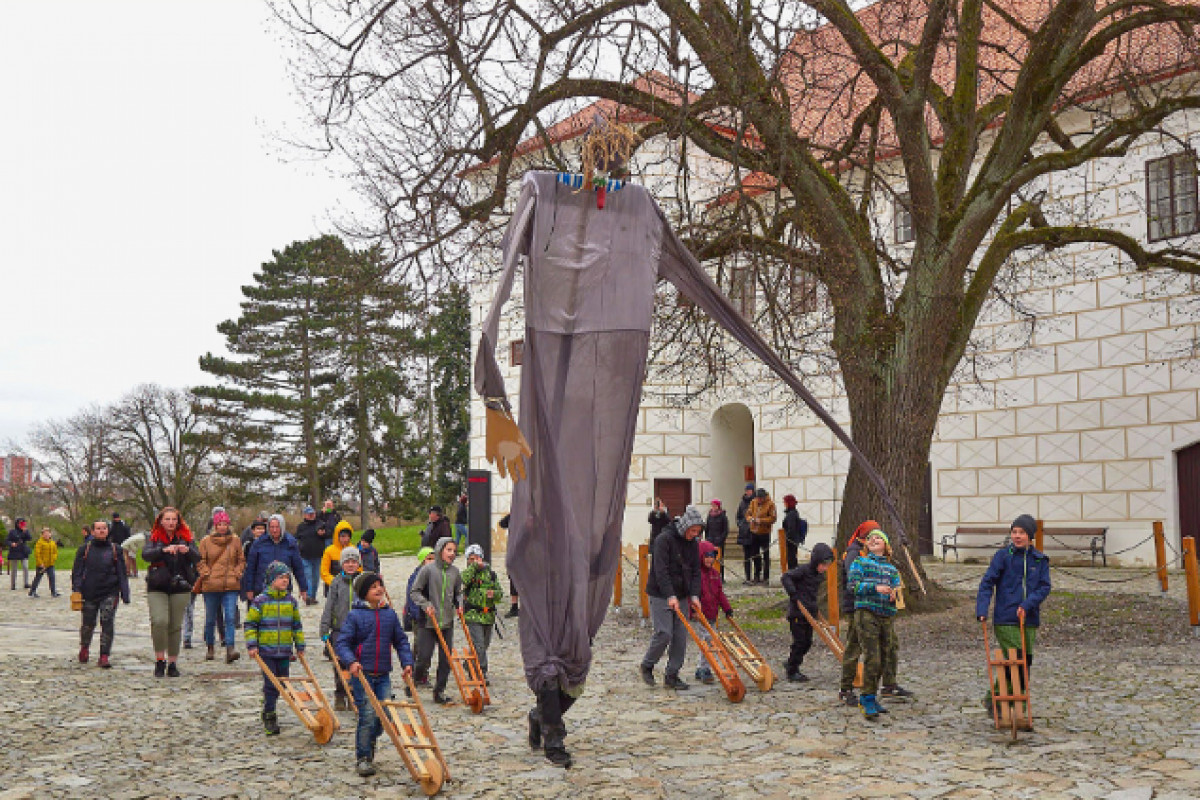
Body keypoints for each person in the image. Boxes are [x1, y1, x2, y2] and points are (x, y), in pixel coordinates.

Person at [337, 571, 414, 777]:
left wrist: (407, 662)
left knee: (385, 714)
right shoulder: (355, 615)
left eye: (380, 585)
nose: (379, 589)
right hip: (363, 673)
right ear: (364, 593)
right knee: (368, 714)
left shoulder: (389, 614)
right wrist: (351, 661)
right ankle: (363, 757)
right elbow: (342, 643)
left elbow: (401, 641)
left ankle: (370, 739)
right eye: (373, 587)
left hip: (383, 674)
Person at [976, 514, 1051, 711]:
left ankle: (1015, 705)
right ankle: (997, 701)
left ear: (1030, 536)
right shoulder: (1003, 557)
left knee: (1025, 662)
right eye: (1014, 532)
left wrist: (1027, 605)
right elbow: (987, 583)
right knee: (1015, 658)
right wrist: (982, 609)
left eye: (1022, 532)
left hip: (1029, 618)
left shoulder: (1039, 560)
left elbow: (1044, 587)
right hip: (1006, 617)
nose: (1017, 536)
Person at [640, 505, 704, 691]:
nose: (695, 534)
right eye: (692, 531)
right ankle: (648, 664)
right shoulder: (663, 540)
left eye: (698, 531)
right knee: (664, 633)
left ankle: (672, 674)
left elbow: (695, 571)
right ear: (685, 527)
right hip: (661, 593)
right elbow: (661, 571)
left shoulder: (693, 544)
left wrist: (694, 595)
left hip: (682, 594)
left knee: (680, 636)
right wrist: (670, 595)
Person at [245, 561, 305, 736]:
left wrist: (299, 645)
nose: (285, 581)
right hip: (267, 651)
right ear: (271, 580)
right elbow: (250, 624)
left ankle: (268, 701)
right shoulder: (260, 601)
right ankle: (269, 715)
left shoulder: (291, 602)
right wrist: (252, 645)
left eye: (287, 578)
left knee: (283, 683)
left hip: (285, 651)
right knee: (271, 684)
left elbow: (296, 625)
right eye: (281, 578)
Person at [847, 528, 901, 720]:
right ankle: (866, 698)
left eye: (879, 537)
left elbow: (899, 594)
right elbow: (853, 587)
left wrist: (895, 595)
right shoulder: (860, 563)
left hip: (886, 615)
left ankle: (874, 696)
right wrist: (875, 587)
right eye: (870, 538)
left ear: (886, 546)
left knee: (885, 657)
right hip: (866, 613)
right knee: (873, 657)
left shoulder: (892, 570)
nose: (874, 539)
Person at [142, 507, 201, 677]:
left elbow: (197, 557)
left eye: (174, 519)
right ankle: (160, 659)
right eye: (167, 519)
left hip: (180, 585)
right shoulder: (153, 537)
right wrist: (162, 550)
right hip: (158, 584)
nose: (170, 522)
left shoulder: (186, 537)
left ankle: (172, 663)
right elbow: (146, 554)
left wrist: (187, 550)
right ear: (161, 521)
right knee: (159, 621)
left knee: (175, 625)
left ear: (178, 521)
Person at [409, 537, 462, 704]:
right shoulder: (428, 570)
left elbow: (458, 593)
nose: (452, 554)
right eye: (449, 550)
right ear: (440, 550)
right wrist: (426, 605)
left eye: (454, 551)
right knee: (424, 657)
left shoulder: (455, 572)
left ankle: (439, 691)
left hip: (447, 622)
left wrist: (459, 604)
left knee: (446, 659)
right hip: (428, 622)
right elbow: (415, 592)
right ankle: (413, 681)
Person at [71, 519, 130, 667]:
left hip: (110, 591)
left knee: (107, 622)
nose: (101, 531)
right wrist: (77, 588)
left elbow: (122, 573)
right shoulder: (85, 549)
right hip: (89, 592)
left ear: (108, 531)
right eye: (98, 528)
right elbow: (77, 571)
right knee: (88, 623)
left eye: (104, 528)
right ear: (92, 531)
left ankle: (104, 655)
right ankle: (85, 647)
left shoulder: (115, 549)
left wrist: (125, 592)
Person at [781, 542, 834, 682]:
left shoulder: (819, 576)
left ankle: (791, 662)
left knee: (807, 642)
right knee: (799, 642)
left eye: (827, 565)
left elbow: (811, 593)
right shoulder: (803, 571)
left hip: (809, 613)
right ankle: (792, 670)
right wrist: (793, 593)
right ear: (816, 561)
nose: (825, 568)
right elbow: (786, 577)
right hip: (797, 613)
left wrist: (814, 608)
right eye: (823, 564)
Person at [198, 509, 245, 663]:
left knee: (230, 617)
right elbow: (200, 561)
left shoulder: (235, 540)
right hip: (211, 586)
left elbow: (241, 560)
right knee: (210, 618)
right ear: (215, 526)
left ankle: (230, 648)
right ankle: (210, 646)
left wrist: (237, 572)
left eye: (225, 524)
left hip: (230, 584)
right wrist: (206, 573)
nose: (222, 527)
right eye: (220, 524)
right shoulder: (206, 541)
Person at [320, 546, 363, 710]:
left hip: (359, 630)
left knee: (356, 663)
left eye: (354, 562)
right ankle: (340, 694)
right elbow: (329, 606)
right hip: (340, 630)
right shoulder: (336, 582)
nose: (351, 565)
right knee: (340, 663)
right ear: (342, 564)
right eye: (347, 562)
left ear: (358, 563)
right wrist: (325, 629)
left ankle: (354, 694)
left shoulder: (362, 581)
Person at [242, 514, 309, 604]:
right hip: (261, 588)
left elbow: (298, 568)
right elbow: (250, 568)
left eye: (277, 527)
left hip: (283, 589)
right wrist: (249, 588)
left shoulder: (291, 543)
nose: (274, 530)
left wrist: (303, 588)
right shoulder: (259, 543)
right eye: (272, 527)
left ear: (282, 527)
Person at [693, 540, 733, 684]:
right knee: (709, 642)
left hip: (712, 615)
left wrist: (727, 608)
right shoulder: (697, 575)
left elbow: (720, 594)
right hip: (700, 615)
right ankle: (705, 668)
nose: (710, 559)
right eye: (706, 556)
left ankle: (699, 668)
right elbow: (693, 595)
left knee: (709, 641)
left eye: (712, 556)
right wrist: (694, 611)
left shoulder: (715, 574)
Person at [461, 543, 500, 678]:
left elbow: (500, 593)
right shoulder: (468, 574)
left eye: (476, 558)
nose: (474, 561)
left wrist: (494, 594)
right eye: (470, 559)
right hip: (473, 615)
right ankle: (480, 672)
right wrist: (473, 568)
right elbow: (461, 582)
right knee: (479, 646)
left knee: (484, 645)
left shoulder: (491, 574)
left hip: (488, 615)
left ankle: (469, 664)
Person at [403, 547, 436, 649]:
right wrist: (416, 614)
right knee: (420, 643)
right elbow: (412, 597)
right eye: (429, 559)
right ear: (423, 561)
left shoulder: (435, 574)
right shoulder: (416, 577)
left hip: (431, 614)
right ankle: (414, 662)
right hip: (418, 616)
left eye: (434, 559)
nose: (432, 562)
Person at [294, 506, 327, 606]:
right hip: (305, 555)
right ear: (305, 515)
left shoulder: (320, 524)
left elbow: (329, 534)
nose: (311, 515)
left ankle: (313, 596)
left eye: (312, 514)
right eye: (309, 514)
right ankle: (308, 596)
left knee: (316, 577)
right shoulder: (301, 526)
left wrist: (323, 534)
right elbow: (295, 538)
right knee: (307, 575)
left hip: (317, 555)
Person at [745, 488, 777, 585]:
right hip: (754, 532)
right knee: (755, 554)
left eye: (760, 498)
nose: (759, 500)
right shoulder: (753, 502)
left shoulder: (770, 504)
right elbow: (748, 513)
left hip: (764, 532)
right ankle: (757, 575)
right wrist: (750, 519)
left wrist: (761, 520)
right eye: (758, 498)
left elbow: (773, 518)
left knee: (765, 555)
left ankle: (766, 576)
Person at [321, 521, 355, 598]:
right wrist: (336, 583)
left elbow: (359, 569)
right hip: (333, 588)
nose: (345, 539)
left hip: (350, 587)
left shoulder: (354, 549)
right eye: (343, 536)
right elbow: (324, 572)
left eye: (347, 536)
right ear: (337, 536)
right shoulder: (329, 551)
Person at [29, 526, 60, 598]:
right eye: (45, 534)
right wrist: (40, 563)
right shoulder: (39, 543)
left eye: (48, 534)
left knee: (52, 577)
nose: (47, 535)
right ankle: (32, 591)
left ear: (50, 534)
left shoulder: (52, 543)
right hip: (42, 565)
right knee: (38, 578)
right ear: (42, 535)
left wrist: (54, 559)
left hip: (50, 564)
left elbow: (55, 552)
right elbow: (37, 553)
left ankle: (53, 592)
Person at [703, 500, 729, 579]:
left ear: (718, 506)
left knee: (719, 560)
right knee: (710, 558)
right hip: (710, 540)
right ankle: (710, 575)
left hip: (719, 541)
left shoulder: (723, 516)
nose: (713, 507)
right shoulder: (710, 515)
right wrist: (707, 538)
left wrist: (721, 539)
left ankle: (720, 576)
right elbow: (707, 528)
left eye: (715, 506)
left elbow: (725, 530)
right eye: (712, 505)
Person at [735, 484, 755, 583]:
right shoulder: (742, 503)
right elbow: (738, 516)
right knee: (746, 557)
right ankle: (747, 577)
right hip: (744, 532)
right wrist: (741, 524)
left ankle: (756, 576)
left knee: (755, 556)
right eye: (747, 490)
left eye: (749, 490)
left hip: (753, 532)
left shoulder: (755, 502)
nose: (748, 492)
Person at [781, 494, 807, 571]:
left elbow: (791, 528)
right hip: (793, 539)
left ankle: (793, 575)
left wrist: (786, 538)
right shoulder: (793, 513)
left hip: (791, 540)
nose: (784, 504)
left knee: (791, 559)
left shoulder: (791, 514)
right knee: (792, 558)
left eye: (785, 502)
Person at [7, 517, 32, 590]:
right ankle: (13, 584)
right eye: (20, 523)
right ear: (17, 524)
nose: (21, 524)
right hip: (14, 551)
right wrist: (11, 544)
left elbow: (29, 538)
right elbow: (7, 540)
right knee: (14, 568)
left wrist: (25, 532)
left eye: (23, 523)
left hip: (23, 550)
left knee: (25, 567)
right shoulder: (12, 531)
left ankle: (26, 583)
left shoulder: (25, 531)